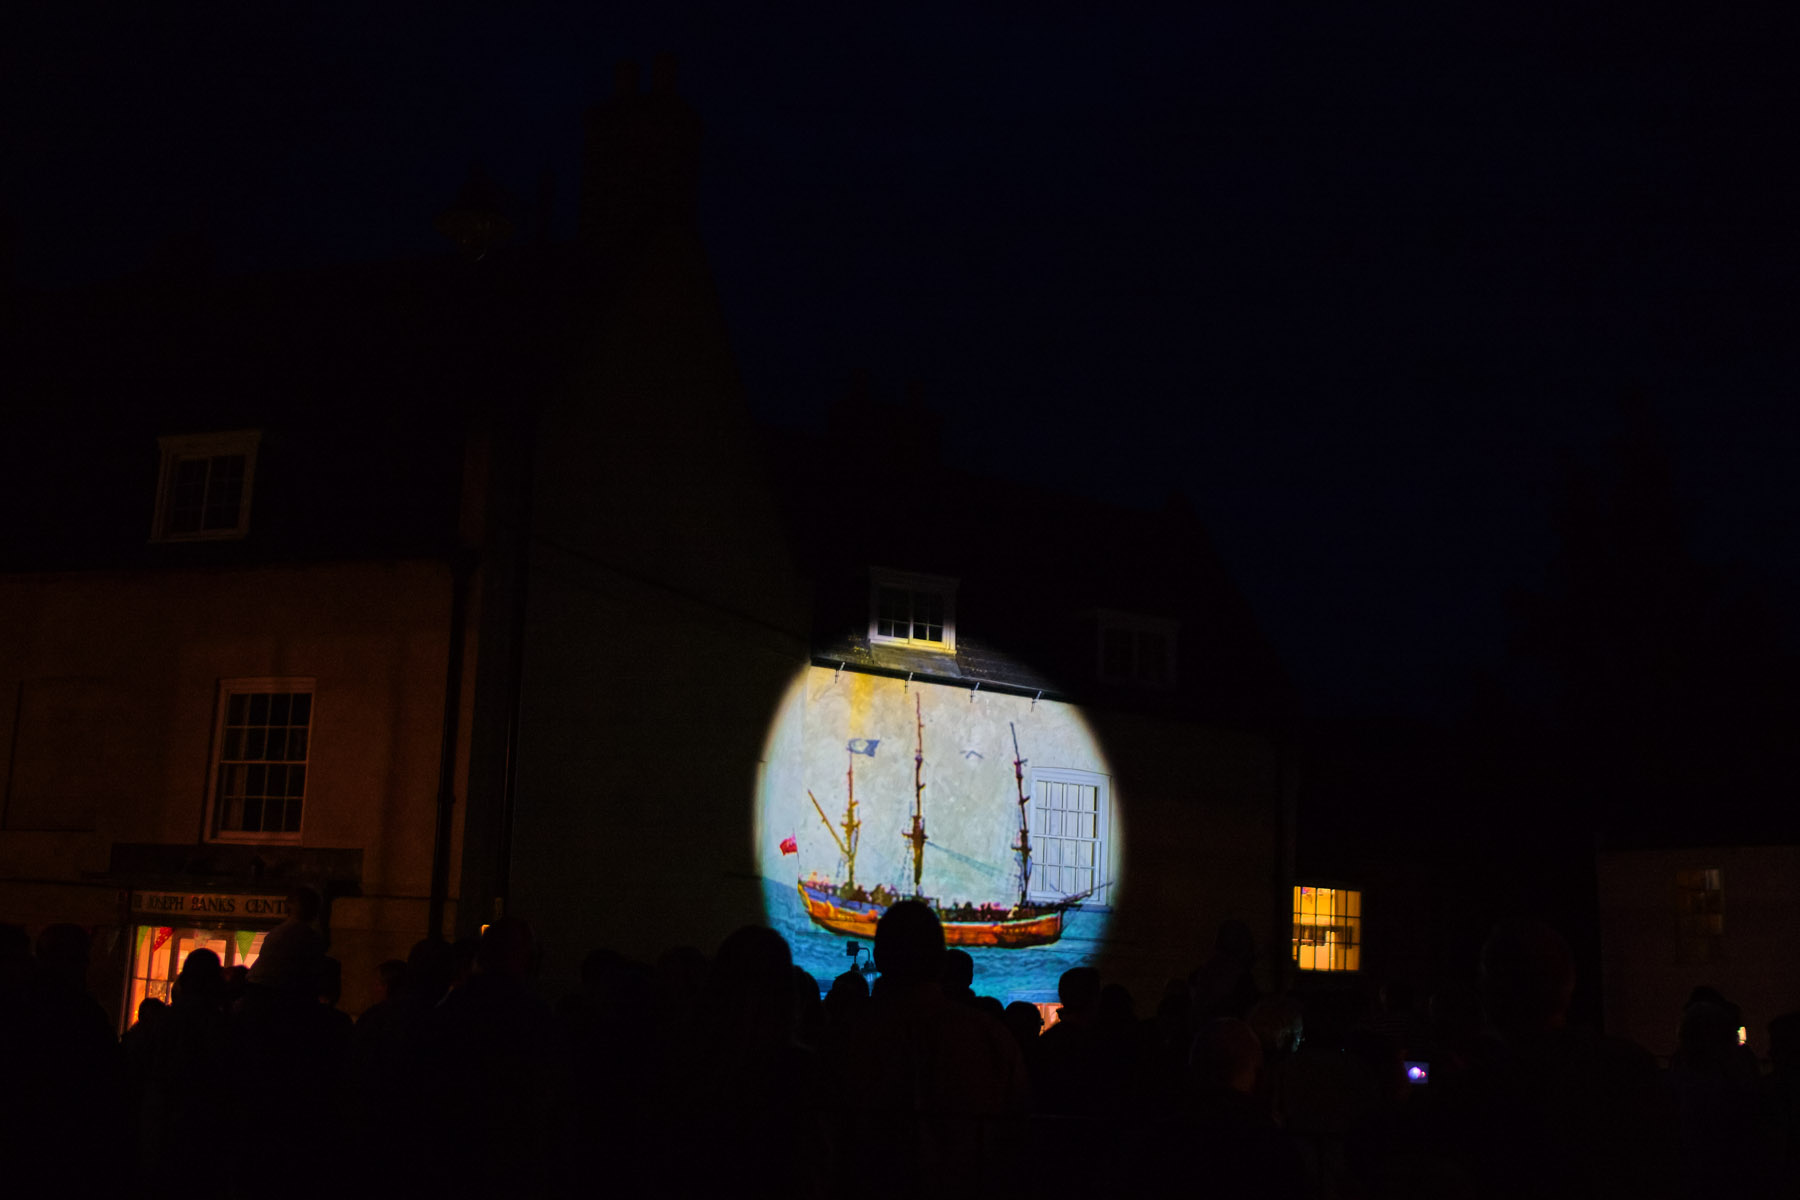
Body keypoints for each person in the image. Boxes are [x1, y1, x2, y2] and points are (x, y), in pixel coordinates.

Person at [828, 901, 1029, 1199]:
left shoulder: (842, 1036)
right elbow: (1016, 1143)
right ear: (942, 962)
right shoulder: (991, 1037)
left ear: (879, 957)